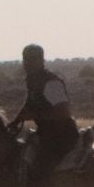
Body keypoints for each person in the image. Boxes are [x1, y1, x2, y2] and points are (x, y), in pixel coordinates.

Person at [11, 43, 83, 176]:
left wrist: (36, 115)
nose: (27, 63)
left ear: (41, 60)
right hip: (45, 135)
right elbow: (29, 104)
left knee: (40, 172)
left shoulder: (51, 83)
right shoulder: (33, 81)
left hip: (61, 137)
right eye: (25, 59)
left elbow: (63, 112)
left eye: (32, 59)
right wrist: (14, 123)